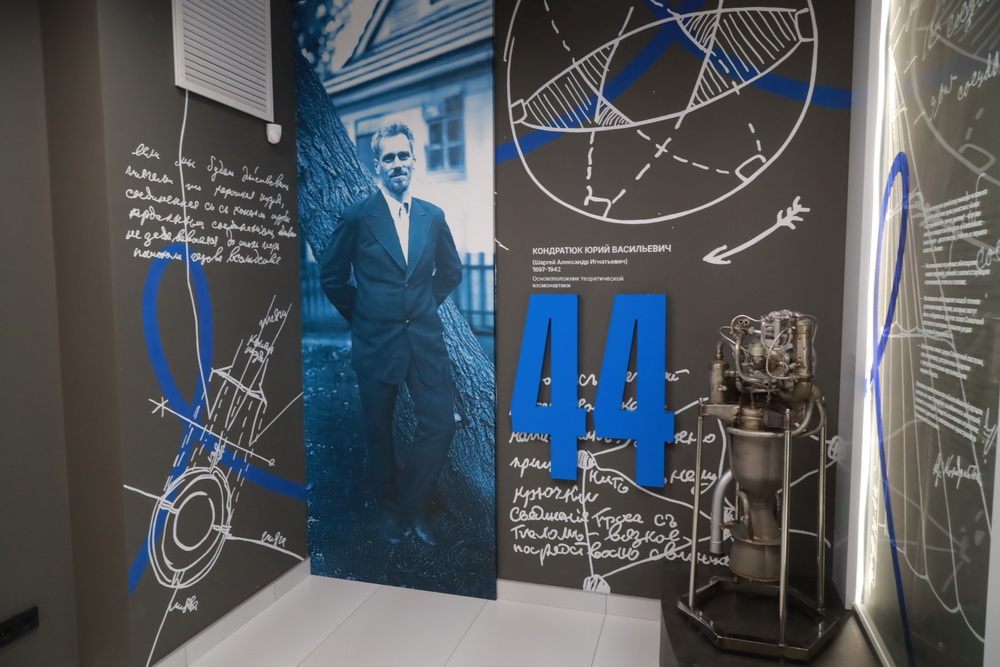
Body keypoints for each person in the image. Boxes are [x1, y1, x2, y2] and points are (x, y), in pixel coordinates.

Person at [319, 122, 462, 546]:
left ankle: (414, 505)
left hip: (425, 341)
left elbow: (451, 272)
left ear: (414, 160)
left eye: (403, 156)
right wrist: (365, 316)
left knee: (440, 423)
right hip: (375, 342)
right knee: (379, 432)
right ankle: (387, 512)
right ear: (376, 165)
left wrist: (420, 307)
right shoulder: (358, 217)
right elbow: (332, 277)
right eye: (388, 158)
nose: (397, 164)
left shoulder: (432, 216)